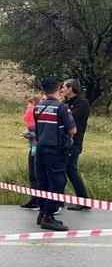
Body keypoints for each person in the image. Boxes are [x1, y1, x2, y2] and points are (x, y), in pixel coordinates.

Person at [33, 76, 76, 231]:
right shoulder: (61, 107)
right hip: (55, 150)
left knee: (42, 182)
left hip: (40, 149)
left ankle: (42, 212)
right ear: (58, 89)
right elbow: (72, 129)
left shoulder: (38, 106)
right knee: (58, 182)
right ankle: (48, 216)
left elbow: (37, 129)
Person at [61, 79, 91, 211]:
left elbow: (70, 119)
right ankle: (60, 200)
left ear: (71, 88)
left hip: (74, 142)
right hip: (63, 141)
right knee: (64, 170)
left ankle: (83, 200)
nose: (62, 90)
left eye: (64, 87)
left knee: (70, 169)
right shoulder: (65, 103)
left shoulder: (82, 103)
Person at [20, 94, 42, 209]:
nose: (28, 105)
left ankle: (39, 200)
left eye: (30, 103)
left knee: (37, 174)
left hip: (38, 147)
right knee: (32, 174)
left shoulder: (39, 114)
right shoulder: (30, 113)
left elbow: (40, 133)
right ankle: (33, 199)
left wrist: (30, 134)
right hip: (32, 147)